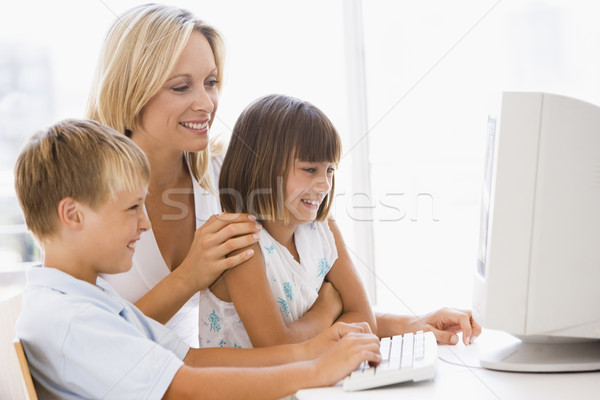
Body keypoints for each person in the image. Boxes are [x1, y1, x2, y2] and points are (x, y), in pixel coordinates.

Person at [87, 3, 480, 348]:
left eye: (211, 82)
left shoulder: (228, 174)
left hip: (219, 375)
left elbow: (287, 304)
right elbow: (93, 345)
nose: (206, 103)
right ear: (130, 89)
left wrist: (409, 325)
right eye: (180, 86)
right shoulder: (84, 196)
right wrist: (189, 276)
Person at [14, 118, 381, 399]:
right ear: (73, 215)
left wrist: (311, 351)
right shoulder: (71, 319)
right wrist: (316, 370)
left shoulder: (86, 299)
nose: (144, 223)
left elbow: (189, 359)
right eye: (131, 208)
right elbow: (184, 387)